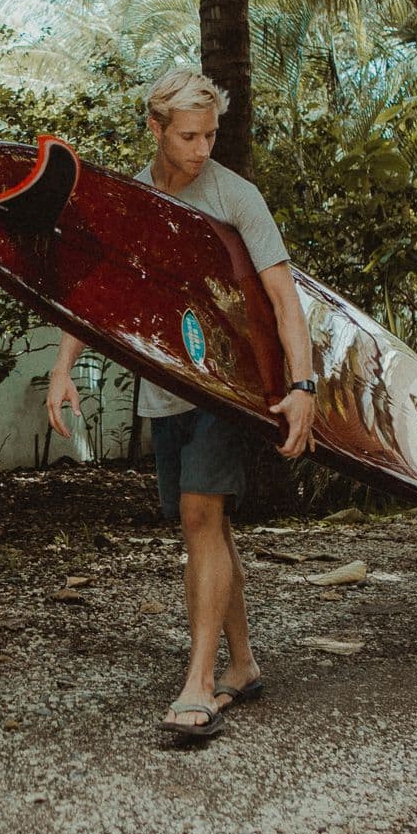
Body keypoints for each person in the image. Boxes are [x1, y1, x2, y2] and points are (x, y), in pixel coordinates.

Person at [45, 67, 316, 739]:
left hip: (233, 387)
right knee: (209, 526)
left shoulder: (236, 196)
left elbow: (285, 300)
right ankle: (243, 664)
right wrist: (62, 369)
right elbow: (101, 294)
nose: (201, 149)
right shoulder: (136, 200)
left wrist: (302, 388)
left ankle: (198, 684)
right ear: (156, 129)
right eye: (189, 136)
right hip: (166, 387)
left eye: (210, 135)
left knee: (200, 514)